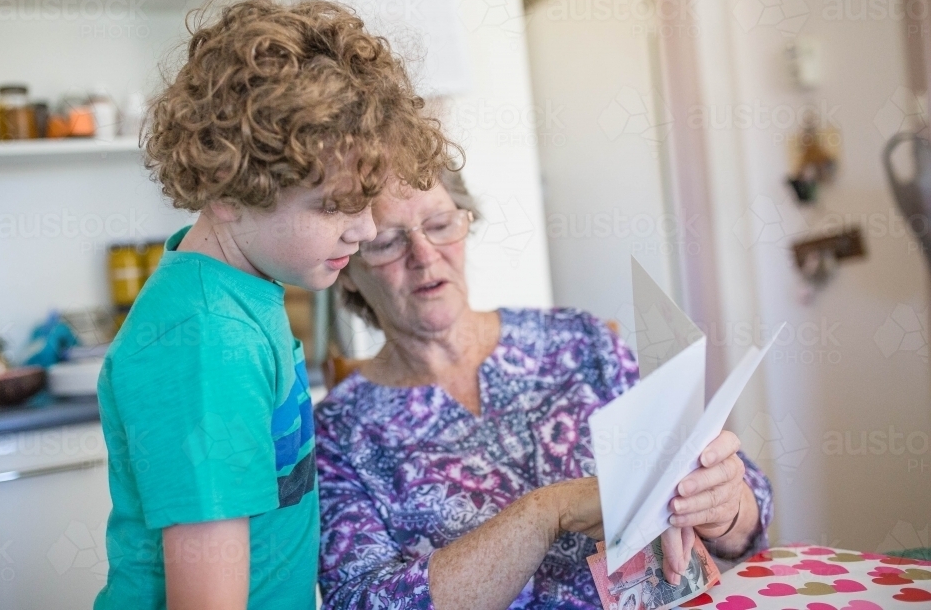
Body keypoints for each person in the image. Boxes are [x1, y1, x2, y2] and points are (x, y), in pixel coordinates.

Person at [94, 0, 454, 610]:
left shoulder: (236, 290)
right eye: (333, 206)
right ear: (230, 190)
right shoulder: (209, 344)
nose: (365, 230)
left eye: (366, 201)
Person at [315, 169, 774, 609]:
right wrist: (545, 512)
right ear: (347, 265)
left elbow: (748, 512)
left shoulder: (580, 341)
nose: (424, 254)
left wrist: (724, 505)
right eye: (388, 242)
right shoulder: (337, 434)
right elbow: (359, 601)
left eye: (439, 224)